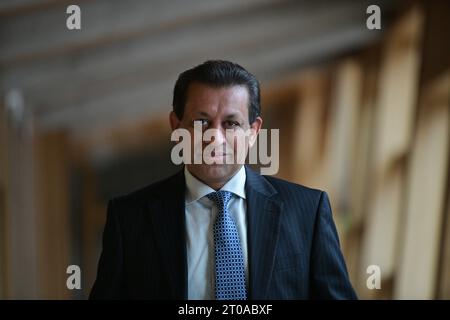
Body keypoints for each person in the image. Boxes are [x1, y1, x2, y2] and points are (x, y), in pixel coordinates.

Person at [89, 60, 357, 300]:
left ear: (253, 131)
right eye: (201, 122)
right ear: (176, 126)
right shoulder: (129, 218)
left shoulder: (307, 211)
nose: (214, 138)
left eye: (231, 123)